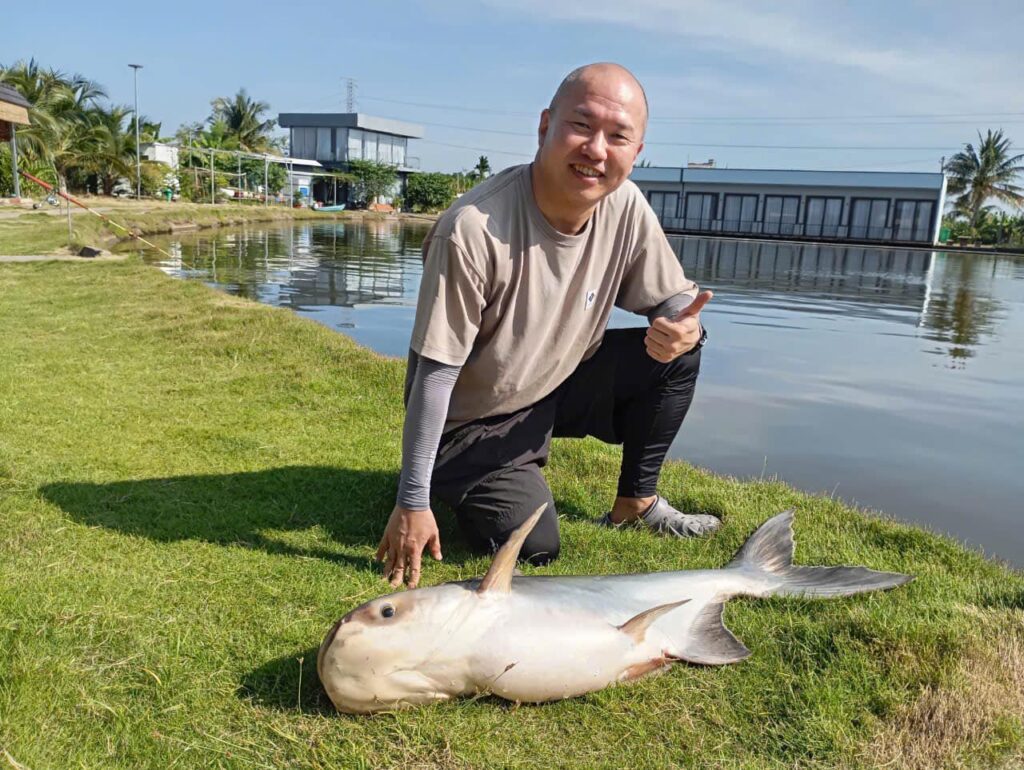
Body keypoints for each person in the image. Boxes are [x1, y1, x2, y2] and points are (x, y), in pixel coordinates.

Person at [377, 62, 718, 588]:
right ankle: (456, 480)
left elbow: (674, 297)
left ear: (637, 151)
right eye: (581, 125)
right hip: (472, 423)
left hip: (554, 384)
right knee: (535, 546)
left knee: (680, 356)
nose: (596, 149)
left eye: (618, 136)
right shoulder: (472, 230)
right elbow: (435, 374)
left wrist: (681, 326)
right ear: (545, 126)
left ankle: (636, 503)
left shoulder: (623, 203)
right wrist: (411, 501)